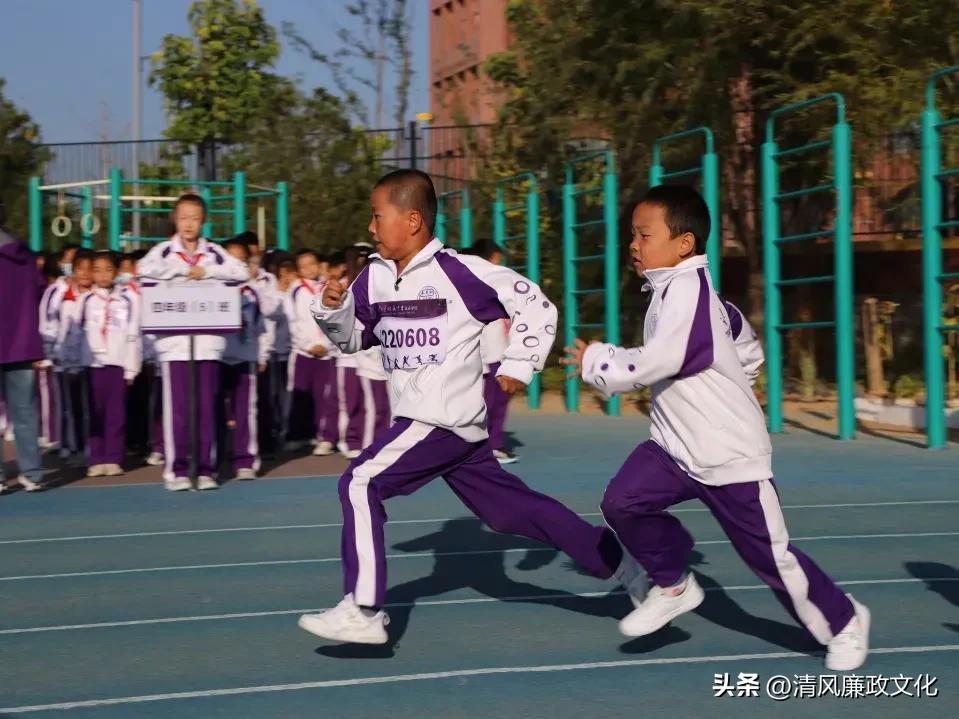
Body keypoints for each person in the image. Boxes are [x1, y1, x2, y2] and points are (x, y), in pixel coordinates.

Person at [297, 169, 645, 645]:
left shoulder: (462, 272)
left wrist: (519, 366)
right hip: (444, 428)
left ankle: (363, 609)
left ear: (413, 219)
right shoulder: (374, 276)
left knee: (360, 482)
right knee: (513, 513)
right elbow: (354, 339)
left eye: (378, 217)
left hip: (440, 417)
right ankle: (631, 570)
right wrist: (333, 310)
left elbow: (537, 307)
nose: (372, 228)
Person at [562, 184, 870, 671]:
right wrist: (730, 378)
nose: (634, 244)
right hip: (674, 445)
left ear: (683, 243)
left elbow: (657, 361)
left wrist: (598, 359)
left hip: (728, 454)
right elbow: (745, 342)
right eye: (632, 235)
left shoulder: (687, 291)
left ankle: (845, 620)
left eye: (644, 235)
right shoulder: (682, 292)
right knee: (623, 502)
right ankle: (673, 583)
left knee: (770, 558)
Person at [137, 194, 249, 491]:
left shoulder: (215, 252)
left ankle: (207, 469)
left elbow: (241, 272)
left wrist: (207, 271)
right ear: (175, 218)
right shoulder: (162, 252)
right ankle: (177, 469)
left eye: (195, 218)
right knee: (178, 410)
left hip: (208, 341)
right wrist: (183, 271)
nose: (189, 224)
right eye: (184, 217)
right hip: (173, 343)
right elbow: (143, 271)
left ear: (204, 220)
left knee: (206, 407)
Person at [69, 251, 142, 477]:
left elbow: (133, 334)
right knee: (94, 411)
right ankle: (96, 457)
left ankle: (113, 457)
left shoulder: (127, 300)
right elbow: (73, 333)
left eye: (108, 270)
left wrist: (131, 367)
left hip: (117, 363)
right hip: (92, 364)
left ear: (116, 272)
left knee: (116, 413)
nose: (102, 275)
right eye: (97, 270)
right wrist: (71, 361)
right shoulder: (86, 300)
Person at [0, 206, 46, 493]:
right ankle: (33, 473)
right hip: (22, 342)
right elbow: (38, 290)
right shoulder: (24, 255)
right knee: (25, 411)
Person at [460, 241, 516, 464]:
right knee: (488, 402)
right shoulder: (473, 284)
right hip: (486, 355)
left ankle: (494, 444)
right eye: (495, 260)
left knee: (499, 401)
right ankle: (486, 446)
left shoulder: (496, 283)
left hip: (500, 353)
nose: (498, 265)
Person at [221, 237, 270, 479]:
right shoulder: (212, 291)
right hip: (217, 357)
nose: (236, 265)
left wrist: (262, 354)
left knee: (245, 411)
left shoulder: (254, 291)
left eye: (241, 261)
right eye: (230, 260)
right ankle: (216, 456)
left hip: (245, 357)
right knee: (215, 410)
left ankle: (245, 461)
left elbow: (265, 323)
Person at [286, 249, 338, 455]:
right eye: (303, 266)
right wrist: (307, 345)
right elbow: (292, 322)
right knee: (300, 394)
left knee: (324, 396)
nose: (308, 268)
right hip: (303, 352)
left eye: (311, 264)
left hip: (327, 352)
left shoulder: (329, 288)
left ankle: (325, 437)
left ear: (319, 265)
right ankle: (298, 434)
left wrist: (326, 344)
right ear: (298, 270)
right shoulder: (295, 290)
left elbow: (335, 319)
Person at [55, 249, 95, 465]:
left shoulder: (102, 297)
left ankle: (96, 449)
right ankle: (77, 448)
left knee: (94, 408)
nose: (85, 273)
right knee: (76, 408)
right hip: (71, 365)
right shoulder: (65, 298)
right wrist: (58, 356)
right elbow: (59, 330)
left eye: (90, 269)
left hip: (96, 363)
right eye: (80, 269)